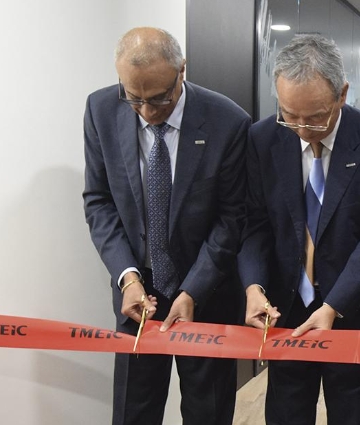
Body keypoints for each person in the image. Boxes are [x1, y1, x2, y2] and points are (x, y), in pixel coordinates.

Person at [83, 27, 250, 425]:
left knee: (206, 411)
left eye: (158, 98)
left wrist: (193, 289)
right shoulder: (101, 109)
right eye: (133, 97)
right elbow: (99, 201)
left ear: (182, 70)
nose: (145, 110)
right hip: (135, 296)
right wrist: (128, 278)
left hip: (206, 293)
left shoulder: (228, 120)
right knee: (133, 411)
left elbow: (232, 218)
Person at [238, 34, 360, 424]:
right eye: (288, 114)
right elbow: (254, 224)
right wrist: (253, 287)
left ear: (342, 94)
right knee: (285, 413)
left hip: (356, 312)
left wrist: (333, 306)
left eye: (314, 117)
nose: (300, 128)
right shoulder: (262, 139)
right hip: (285, 310)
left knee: (352, 415)